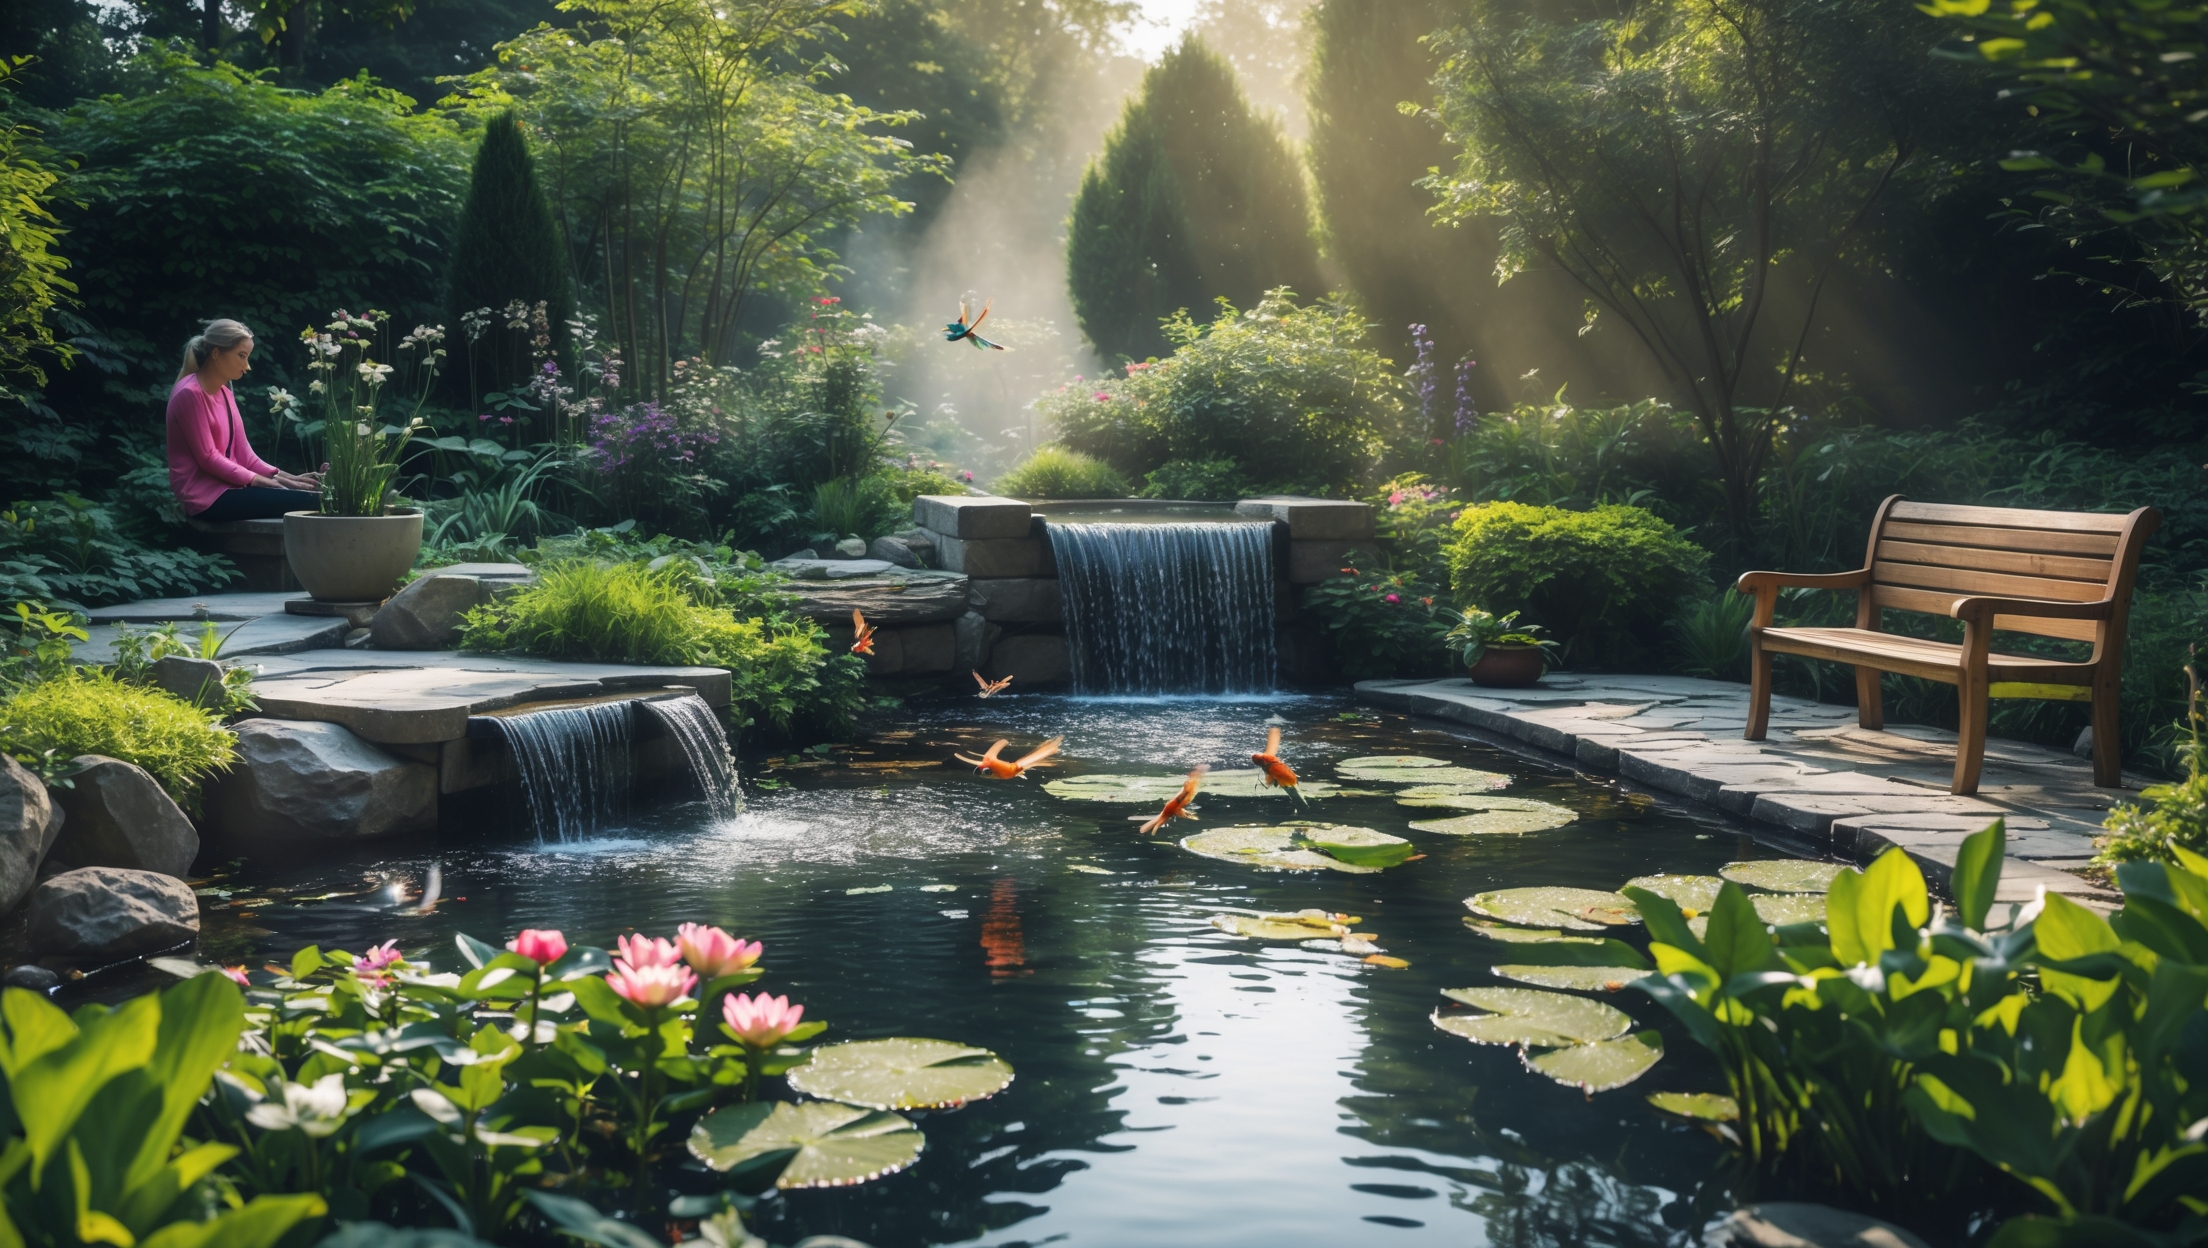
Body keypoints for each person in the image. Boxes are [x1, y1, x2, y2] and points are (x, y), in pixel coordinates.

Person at [166, 318, 322, 523]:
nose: (247, 366)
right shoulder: (190, 394)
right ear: (216, 353)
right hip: (206, 498)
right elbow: (209, 458)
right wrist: (259, 481)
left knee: (315, 496)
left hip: (231, 488)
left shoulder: (224, 392)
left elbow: (244, 453)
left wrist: (288, 479)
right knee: (319, 502)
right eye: (241, 356)